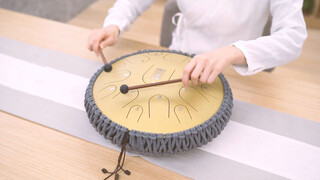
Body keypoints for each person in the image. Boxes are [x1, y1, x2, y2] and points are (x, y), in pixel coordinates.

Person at [87, 0, 307, 88]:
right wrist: (114, 25)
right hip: (177, 61)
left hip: (233, 73)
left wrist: (235, 51)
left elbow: (293, 36)